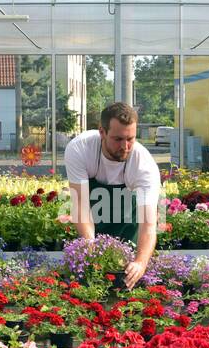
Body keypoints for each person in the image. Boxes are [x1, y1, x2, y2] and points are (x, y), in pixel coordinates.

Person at [64, 102, 162, 289]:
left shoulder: (144, 165)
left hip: (129, 223)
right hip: (94, 215)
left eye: (130, 139)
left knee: (129, 280)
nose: (125, 146)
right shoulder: (79, 149)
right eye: (118, 139)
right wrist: (91, 248)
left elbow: (149, 223)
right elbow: (81, 206)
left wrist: (140, 263)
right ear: (102, 132)